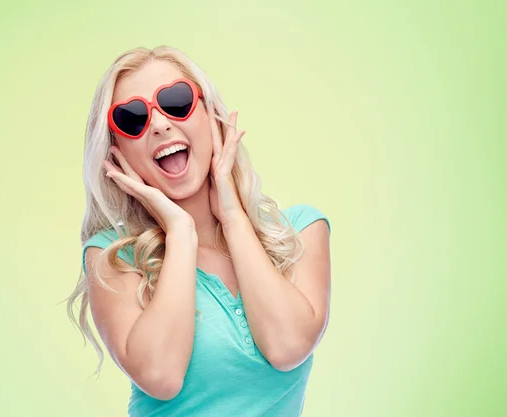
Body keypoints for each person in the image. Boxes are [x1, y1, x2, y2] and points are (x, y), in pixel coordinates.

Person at [65, 45, 332, 417]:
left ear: (211, 115)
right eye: (132, 118)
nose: (158, 124)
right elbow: (161, 375)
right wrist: (180, 231)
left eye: (175, 101)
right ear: (116, 152)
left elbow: (287, 347)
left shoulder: (301, 232)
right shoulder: (112, 257)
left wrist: (233, 217)